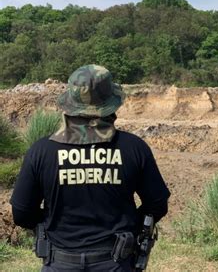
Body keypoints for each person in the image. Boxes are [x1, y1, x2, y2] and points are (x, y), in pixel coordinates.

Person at [10, 65, 170, 271]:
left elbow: (22, 213)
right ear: (111, 106)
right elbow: (157, 204)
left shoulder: (41, 151)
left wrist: (52, 222)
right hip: (116, 263)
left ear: (69, 105)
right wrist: (130, 225)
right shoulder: (134, 148)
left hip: (60, 262)